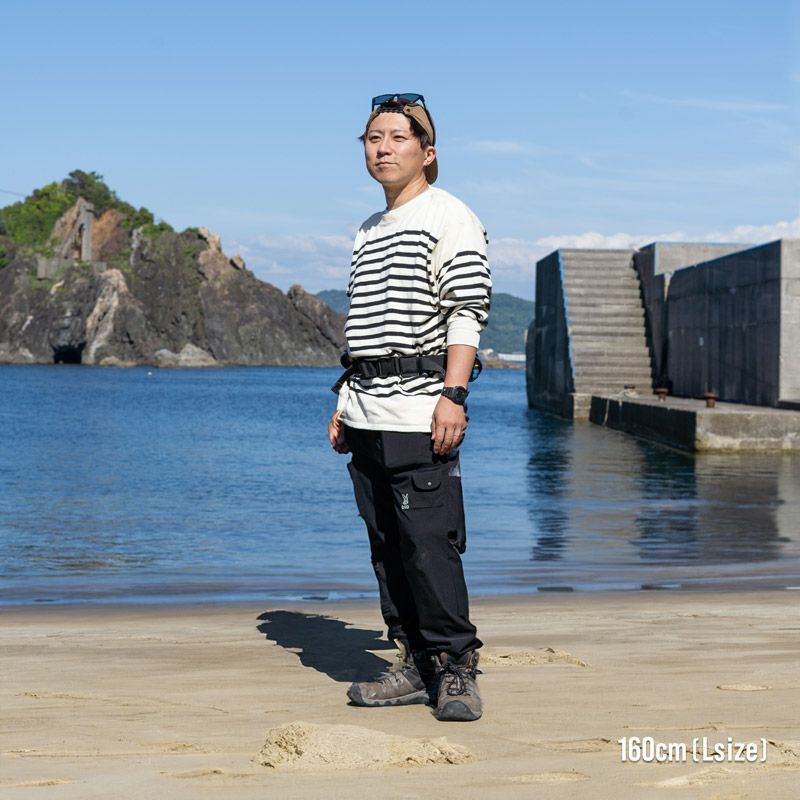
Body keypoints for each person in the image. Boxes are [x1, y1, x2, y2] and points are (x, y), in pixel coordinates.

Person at [328, 93, 491, 722]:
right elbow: (365, 331)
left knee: (429, 543)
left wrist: (454, 395)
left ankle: (455, 668)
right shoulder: (368, 229)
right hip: (365, 411)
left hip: (420, 410)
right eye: (373, 138)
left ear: (427, 152)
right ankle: (413, 663)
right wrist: (344, 404)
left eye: (398, 137)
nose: (383, 148)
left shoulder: (450, 216)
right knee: (387, 546)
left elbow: (466, 311)